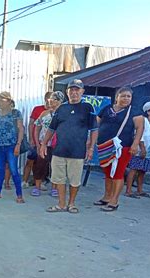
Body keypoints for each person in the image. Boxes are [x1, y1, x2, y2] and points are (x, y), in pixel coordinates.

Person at [39, 79, 97, 213]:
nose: (74, 92)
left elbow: (94, 129)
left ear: (82, 91)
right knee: (58, 179)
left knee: (74, 180)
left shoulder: (88, 108)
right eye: (72, 90)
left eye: (77, 90)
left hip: (77, 152)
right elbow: (51, 129)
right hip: (59, 151)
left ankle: (72, 204)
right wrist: (43, 144)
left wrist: (91, 148)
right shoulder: (62, 108)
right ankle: (61, 204)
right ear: (67, 92)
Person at [94, 86, 144, 212]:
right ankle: (106, 197)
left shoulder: (134, 111)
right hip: (104, 146)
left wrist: (135, 144)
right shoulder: (106, 109)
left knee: (118, 173)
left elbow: (139, 129)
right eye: (123, 96)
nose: (126, 98)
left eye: (128, 96)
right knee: (107, 172)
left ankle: (114, 201)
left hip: (123, 147)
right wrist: (91, 140)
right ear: (117, 97)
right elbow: (96, 124)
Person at [125, 101, 150, 198]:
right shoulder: (142, 121)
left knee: (142, 171)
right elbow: (139, 135)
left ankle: (139, 190)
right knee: (134, 169)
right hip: (141, 150)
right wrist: (142, 149)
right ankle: (128, 190)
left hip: (149, 151)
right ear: (148, 111)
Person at [31, 91, 63, 197]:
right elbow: (37, 128)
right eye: (50, 99)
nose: (51, 101)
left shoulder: (63, 114)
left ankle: (54, 188)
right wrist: (37, 143)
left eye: (54, 99)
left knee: (56, 167)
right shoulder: (44, 113)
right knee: (40, 165)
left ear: (59, 101)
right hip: (44, 144)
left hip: (58, 145)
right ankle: (37, 187)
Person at [22, 91, 53, 188]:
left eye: (52, 100)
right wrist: (31, 138)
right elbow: (31, 124)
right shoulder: (38, 109)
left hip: (48, 143)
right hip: (36, 140)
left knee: (44, 163)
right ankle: (25, 181)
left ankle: (41, 182)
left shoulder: (56, 112)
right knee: (30, 161)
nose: (49, 103)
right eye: (48, 100)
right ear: (45, 99)